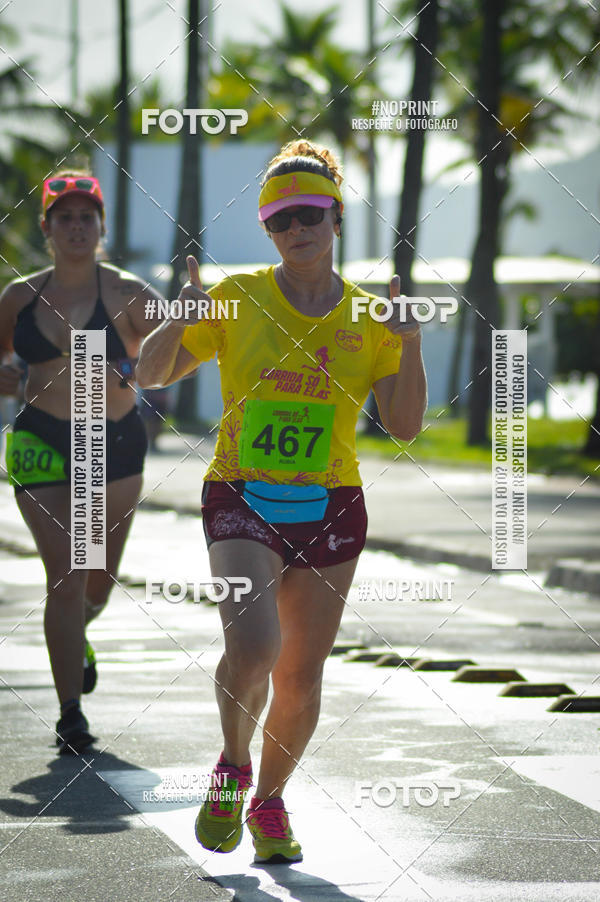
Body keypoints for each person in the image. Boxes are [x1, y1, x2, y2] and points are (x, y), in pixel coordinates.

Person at [136, 139, 427, 863]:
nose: (297, 229)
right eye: (280, 219)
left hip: (331, 505)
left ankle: (268, 802)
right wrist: (180, 315)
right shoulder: (235, 300)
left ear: (335, 218)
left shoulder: (369, 317)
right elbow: (149, 372)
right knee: (256, 647)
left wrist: (411, 345)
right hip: (241, 495)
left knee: (300, 676)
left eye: (311, 213)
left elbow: (405, 426)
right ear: (268, 229)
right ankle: (233, 766)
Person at [0, 169, 162, 753]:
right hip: (40, 438)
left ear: (101, 227)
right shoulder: (18, 297)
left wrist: (143, 364)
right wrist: (9, 374)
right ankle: (71, 715)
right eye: (63, 217)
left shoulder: (129, 294)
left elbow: (175, 358)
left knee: (95, 587)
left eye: (85, 217)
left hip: (109, 443)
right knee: (65, 578)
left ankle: (79, 634)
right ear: (46, 228)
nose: (75, 226)